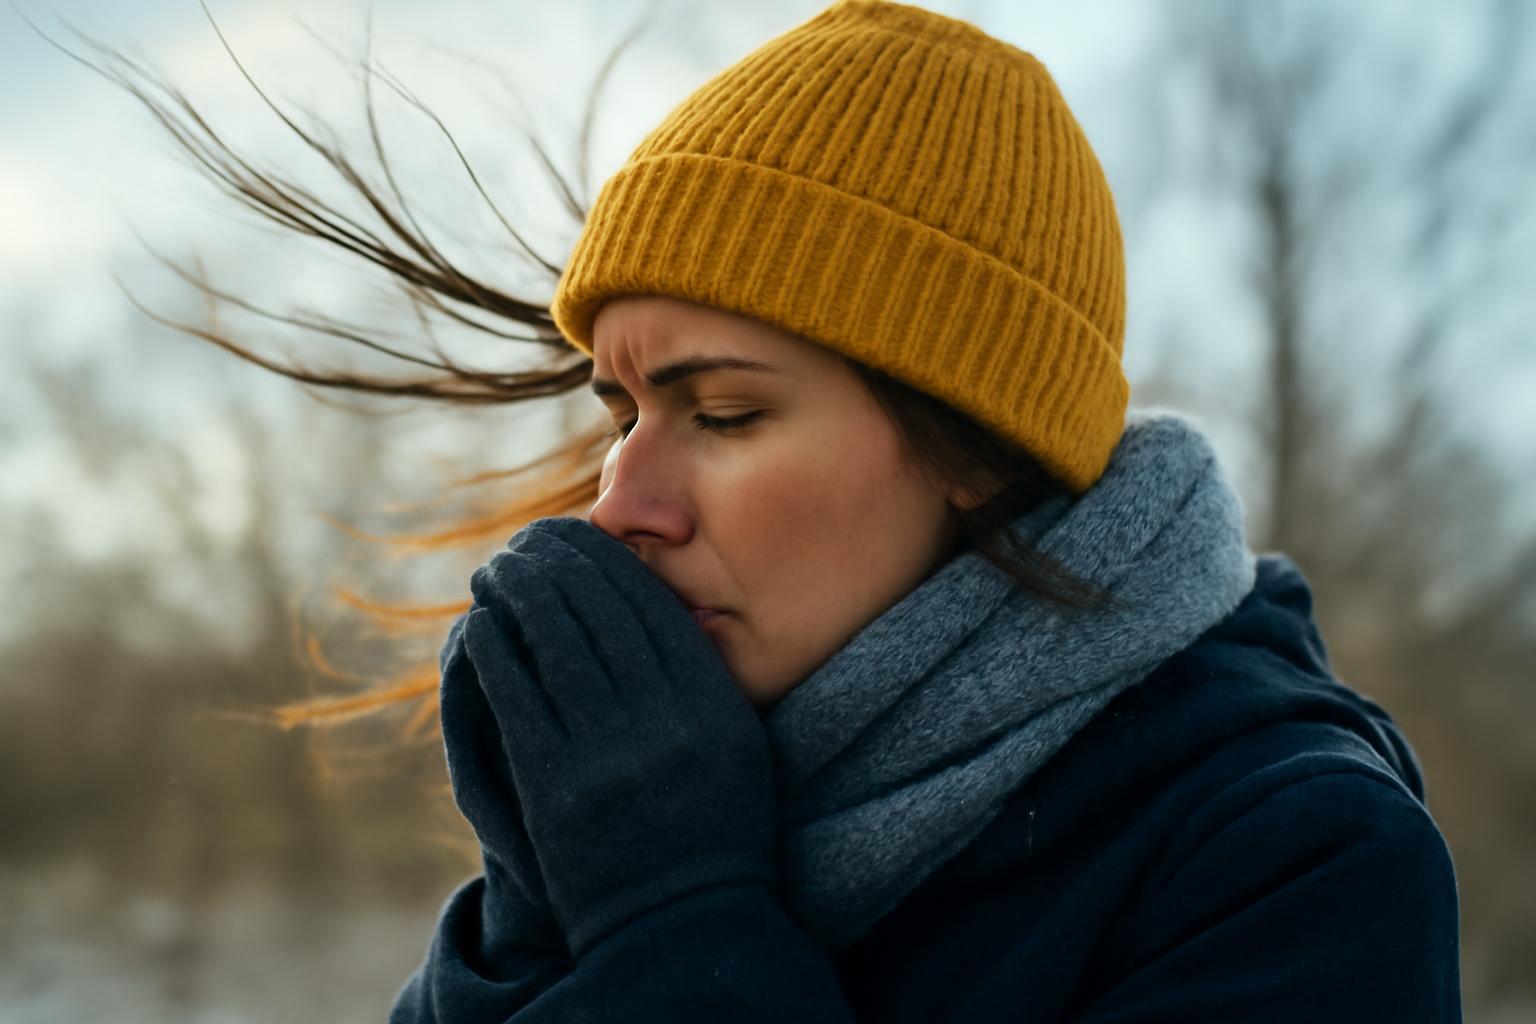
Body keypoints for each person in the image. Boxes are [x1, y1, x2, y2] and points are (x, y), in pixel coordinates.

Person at [374, 1, 1463, 1020]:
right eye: (623, 418)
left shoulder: (1297, 859)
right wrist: (533, 900)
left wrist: (675, 923)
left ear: (979, 451)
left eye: (727, 413)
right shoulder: (665, 787)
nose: (622, 506)